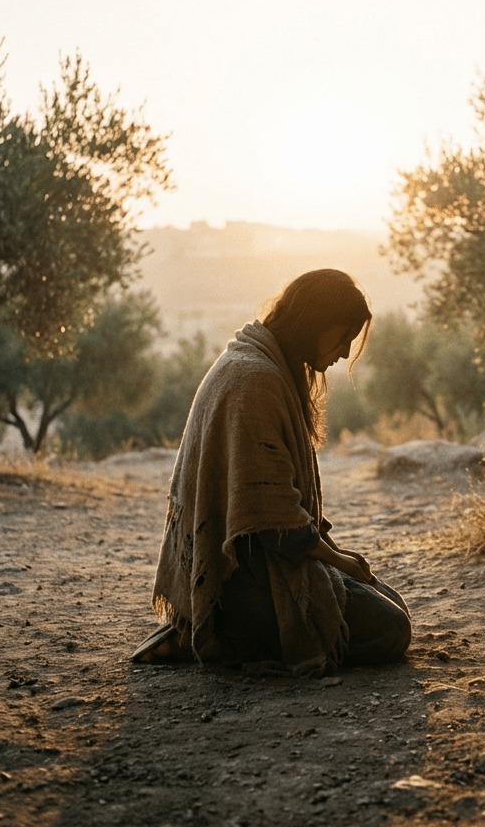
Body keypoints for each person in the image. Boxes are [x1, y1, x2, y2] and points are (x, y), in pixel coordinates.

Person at [132, 268, 411, 674]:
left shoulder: (263, 362)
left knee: (391, 603)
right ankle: (220, 633)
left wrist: (338, 557)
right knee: (393, 630)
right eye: (342, 336)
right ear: (315, 323)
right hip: (241, 578)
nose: (346, 353)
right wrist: (338, 561)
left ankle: (217, 628)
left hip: (260, 563)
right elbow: (275, 522)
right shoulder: (255, 380)